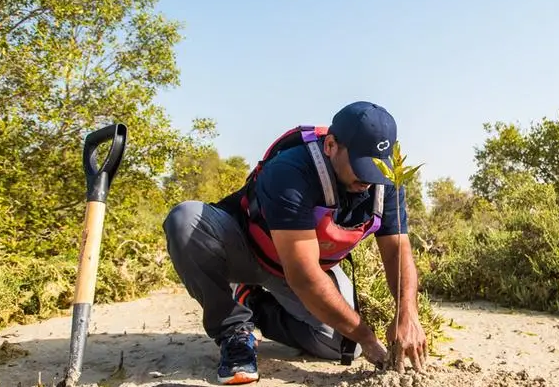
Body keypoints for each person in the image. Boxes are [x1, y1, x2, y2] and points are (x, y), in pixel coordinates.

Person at [161, 101, 427, 385]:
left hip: (293, 268)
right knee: (185, 220)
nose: (368, 180)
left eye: (377, 168)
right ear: (331, 145)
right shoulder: (290, 170)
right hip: (244, 248)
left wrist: (407, 312)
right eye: (361, 165)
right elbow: (304, 277)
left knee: (341, 346)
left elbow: (397, 251)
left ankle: (252, 301)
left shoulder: (385, 181)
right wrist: (368, 336)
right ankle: (232, 329)